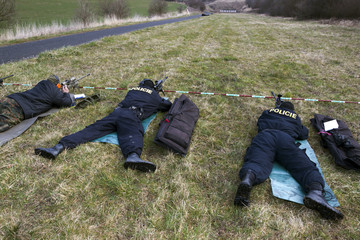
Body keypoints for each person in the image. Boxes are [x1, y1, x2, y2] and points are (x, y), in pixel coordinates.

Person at [234, 101, 344, 220]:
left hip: (265, 136)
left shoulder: (268, 112)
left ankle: (248, 179)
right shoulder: (295, 117)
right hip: (285, 139)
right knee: (304, 167)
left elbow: (260, 122)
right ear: (292, 110)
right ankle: (315, 192)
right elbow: (303, 134)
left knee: (256, 161)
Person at [35, 79, 172, 172]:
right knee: (134, 132)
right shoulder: (154, 95)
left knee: (90, 131)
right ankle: (133, 156)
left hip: (116, 113)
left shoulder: (132, 90)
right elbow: (167, 106)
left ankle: (57, 147)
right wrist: (158, 95)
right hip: (131, 115)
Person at [0, 75, 74, 133]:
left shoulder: (42, 83)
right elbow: (66, 103)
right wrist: (66, 93)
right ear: (57, 85)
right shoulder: (54, 92)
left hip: (10, 98)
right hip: (18, 109)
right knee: (3, 126)